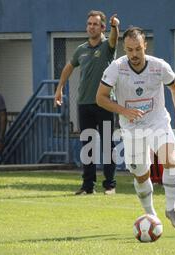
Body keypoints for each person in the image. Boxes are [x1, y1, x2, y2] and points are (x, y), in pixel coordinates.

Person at [96, 27, 175, 230]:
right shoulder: (116, 67)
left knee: (170, 159)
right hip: (131, 127)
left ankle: (171, 209)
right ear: (124, 48)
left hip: (157, 121)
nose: (134, 54)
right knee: (141, 173)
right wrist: (124, 111)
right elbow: (100, 98)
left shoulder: (159, 66)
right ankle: (150, 214)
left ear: (145, 46)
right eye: (130, 50)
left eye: (138, 49)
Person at [54, 10, 119, 195]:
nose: (91, 27)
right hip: (84, 103)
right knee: (88, 146)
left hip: (105, 103)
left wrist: (116, 26)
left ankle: (110, 186)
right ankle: (88, 187)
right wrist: (59, 88)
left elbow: (114, 38)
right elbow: (68, 67)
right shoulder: (80, 49)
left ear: (102, 27)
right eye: (89, 24)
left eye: (95, 24)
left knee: (107, 145)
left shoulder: (108, 46)